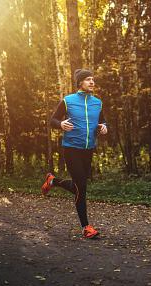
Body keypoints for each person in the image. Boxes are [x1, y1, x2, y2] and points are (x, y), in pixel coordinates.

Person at [41, 69, 107, 239]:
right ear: (80, 83)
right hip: (71, 149)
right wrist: (61, 124)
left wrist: (104, 127)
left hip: (88, 149)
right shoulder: (68, 101)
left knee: (80, 186)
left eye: (93, 79)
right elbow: (52, 120)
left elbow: (102, 121)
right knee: (82, 187)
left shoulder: (97, 103)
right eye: (87, 80)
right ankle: (86, 227)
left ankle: (52, 180)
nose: (92, 82)